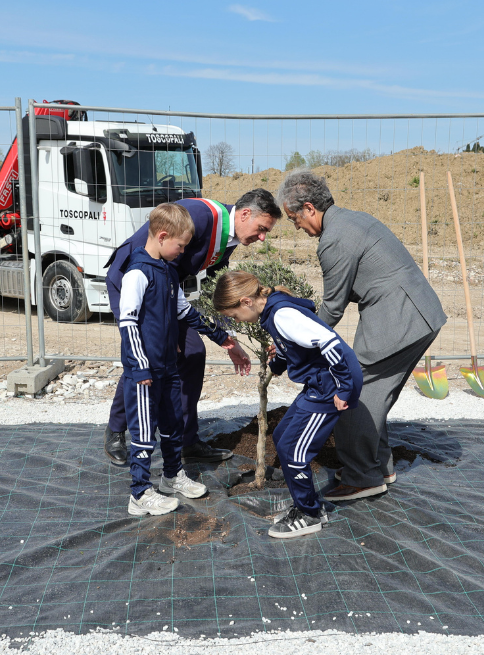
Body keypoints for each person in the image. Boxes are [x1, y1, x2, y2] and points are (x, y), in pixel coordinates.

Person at [276, 170, 446, 502]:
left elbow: (333, 307)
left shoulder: (334, 239)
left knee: (352, 389)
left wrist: (295, 343)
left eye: (294, 218)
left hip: (399, 319)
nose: (296, 226)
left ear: (309, 208)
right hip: (418, 313)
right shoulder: (352, 220)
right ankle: (379, 468)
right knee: (375, 396)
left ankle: (362, 478)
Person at [104, 190, 282, 465]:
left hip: (168, 290)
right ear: (245, 214)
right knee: (144, 354)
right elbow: (159, 265)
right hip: (133, 279)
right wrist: (168, 332)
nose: (262, 238)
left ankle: (186, 441)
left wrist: (229, 339)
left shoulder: (230, 236)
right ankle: (116, 431)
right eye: (261, 229)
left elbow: (217, 289)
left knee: (193, 353)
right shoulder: (199, 217)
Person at [212, 270, 362, 537]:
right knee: (282, 436)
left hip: (332, 386)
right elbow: (291, 344)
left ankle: (309, 514)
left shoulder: (282, 314)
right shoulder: (271, 311)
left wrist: (345, 388)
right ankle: (309, 505)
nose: (236, 321)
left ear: (246, 301)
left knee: (293, 451)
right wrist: (277, 364)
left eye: (234, 315)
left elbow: (329, 343)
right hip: (319, 383)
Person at [118, 203, 234, 516]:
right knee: (144, 434)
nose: (183, 252)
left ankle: (171, 477)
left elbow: (184, 311)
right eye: (180, 246)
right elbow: (128, 322)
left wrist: (220, 336)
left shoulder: (169, 271)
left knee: (173, 426)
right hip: (144, 372)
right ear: (162, 236)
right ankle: (139, 494)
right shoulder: (137, 273)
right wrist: (139, 365)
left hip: (169, 367)